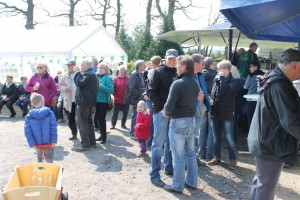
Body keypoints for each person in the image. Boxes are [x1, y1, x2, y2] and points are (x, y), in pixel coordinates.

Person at [248, 49, 300, 200]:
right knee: (266, 187)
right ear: (295, 66)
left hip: (264, 139)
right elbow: (290, 120)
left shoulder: (273, 78)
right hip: (271, 143)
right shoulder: (281, 85)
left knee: (261, 183)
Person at [163, 55, 199, 193]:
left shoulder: (177, 83)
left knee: (178, 155)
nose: (176, 66)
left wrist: (165, 113)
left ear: (184, 67)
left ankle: (177, 186)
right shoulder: (195, 82)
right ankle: (192, 182)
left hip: (178, 122)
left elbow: (169, 106)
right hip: (191, 121)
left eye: (178, 64)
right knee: (190, 153)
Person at [148, 49, 177, 188]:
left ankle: (168, 166)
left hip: (174, 113)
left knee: (170, 142)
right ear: (165, 58)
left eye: (174, 59)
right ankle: (154, 174)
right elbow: (151, 91)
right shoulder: (157, 72)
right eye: (170, 58)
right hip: (160, 113)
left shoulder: (177, 73)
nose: (172, 61)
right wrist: (161, 108)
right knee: (157, 144)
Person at [208, 60, 239, 169]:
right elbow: (211, 91)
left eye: (220, 69)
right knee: (216, 137)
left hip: (227, 114)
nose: (218, 71)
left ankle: (233, 159)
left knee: (229, 137)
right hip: (215, 112)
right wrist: (210, 99)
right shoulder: (216, 79)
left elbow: (226, 91)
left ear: (226, 70)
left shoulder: (234, 82)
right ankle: (217, 157)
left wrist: (221, 79)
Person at [24, 93, 57, 163]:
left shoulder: (28, 116)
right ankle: (49, 172)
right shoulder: (50, 113)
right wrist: (54, 140)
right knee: (49, 159)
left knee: (39, 160)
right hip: (49, 142)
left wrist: (32, 143)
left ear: (32, 104)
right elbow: (53, 128)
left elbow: (27, 131)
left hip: (37, 143)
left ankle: (40, 172)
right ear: (43, 102)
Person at [74, 60, 98, 152]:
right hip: (88, 102)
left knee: (82, 123)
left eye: (82, 64)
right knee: (88, 123)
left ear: (88, 66)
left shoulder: (89, 74)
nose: (80, 66)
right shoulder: (91, 74)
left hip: (84, 102)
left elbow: (79, 83)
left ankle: (85, 145)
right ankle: (92, 143)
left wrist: (77, 73)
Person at [192, 54, 213, 163]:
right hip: (192, 110)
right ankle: (191, 159)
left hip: (200, 109)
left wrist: (207, 101)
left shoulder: (200, 74)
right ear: (195, 63)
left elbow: (203, 90)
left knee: (195, 135)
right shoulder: (188, 75)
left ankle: (194, 157)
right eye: (202, 63)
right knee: (191, 136)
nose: (204, 66)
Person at [124, 60, 146, 140]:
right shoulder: (134, 75)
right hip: (136, 99)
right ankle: (133, 133)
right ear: (140, 66)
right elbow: (132, 88)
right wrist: (141, 96)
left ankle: (136, 132)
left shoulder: (141, 74)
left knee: (139, 115)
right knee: (135, 115)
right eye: (144, 64)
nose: (145, 66)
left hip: (140, 98)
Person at [144, 56, 162, 148]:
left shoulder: (159, 73)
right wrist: (145, 94)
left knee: (156, 122)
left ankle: (155, 141)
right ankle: (150, 140)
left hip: (156, 101)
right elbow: (147, 87)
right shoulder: (149, 73)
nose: (150, 65)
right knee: (150, 121)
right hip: (149, 101)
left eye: (152, 64)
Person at [58, 60, 78, 140]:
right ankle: (74, 133)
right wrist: (65, 88)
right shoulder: (65, 76)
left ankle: (85, 136)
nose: (68, 67)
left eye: (70, 65)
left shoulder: (79, 74)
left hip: (79, 101)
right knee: (70, 119)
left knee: (81, 120)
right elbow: (60, 85)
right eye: (68, 65)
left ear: (74, 65)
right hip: (69, 101)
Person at [95, 62, 114, 144]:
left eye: (102, 68)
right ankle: (101, 135)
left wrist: (100, 86)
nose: (100, 69)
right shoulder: (98, 77)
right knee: (97, 120)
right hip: (97, 101)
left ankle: (104, 138)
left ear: (106, 69)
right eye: (99, 68)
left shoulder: (108, 78)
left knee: (101, 119)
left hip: (104, 102)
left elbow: (111, 90)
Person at [244, 61, 265, 129]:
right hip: (262, 100)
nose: (249, 68)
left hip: (251, 100)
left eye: (251, 67)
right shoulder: (265, 75)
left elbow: (245, 87)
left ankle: (251, 135)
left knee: (251, 118)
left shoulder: (251, 75)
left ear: (256, 67)